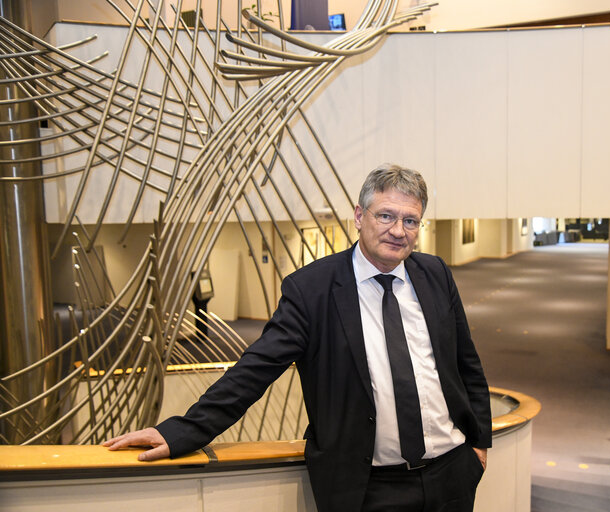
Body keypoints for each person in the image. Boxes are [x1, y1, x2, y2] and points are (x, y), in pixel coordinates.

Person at [105, 164, 492, 512]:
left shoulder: (435, 273)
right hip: (369, 489)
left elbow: (465, 363)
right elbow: (255, 369)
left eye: (410, 221)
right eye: (386, 215)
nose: (397, 231)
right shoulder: (312, 289)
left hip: (451, 476)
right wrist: (183, 431)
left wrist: (478, 444)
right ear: (359, 216)